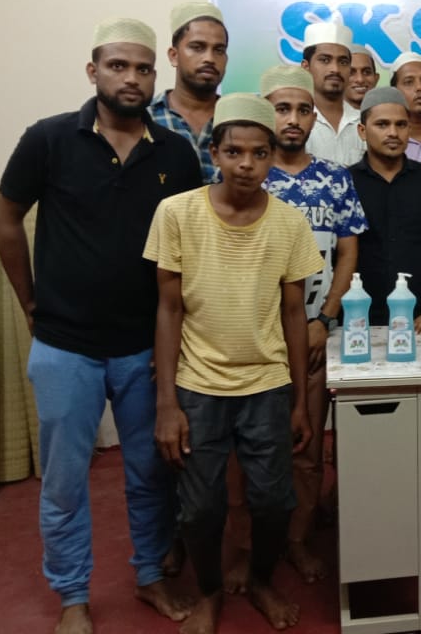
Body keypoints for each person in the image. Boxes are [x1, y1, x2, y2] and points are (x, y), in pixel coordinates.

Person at [0, 17, 201, 634]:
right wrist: (29, 302)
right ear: (93, 71)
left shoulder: (175, 154)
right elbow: (7, 218)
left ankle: (151, 576)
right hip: (66, 346)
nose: (130, 78)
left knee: (152, 473)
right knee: (64, 482)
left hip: (145, 346)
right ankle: (73, 597)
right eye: (117, 66)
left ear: (155, 76)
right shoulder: (50, 139)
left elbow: (188, 247)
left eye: (142, 68)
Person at [146, 93, 322, 634]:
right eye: (234, 152)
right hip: (198, 385)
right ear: (214, 154)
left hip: (266, 383)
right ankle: (208, 592)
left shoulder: (289, 223)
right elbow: (168, 309)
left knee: (273, 501)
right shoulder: (177, 213)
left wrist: (299, 400)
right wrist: (167, 403)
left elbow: (294, 312)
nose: (247, 165)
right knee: (200, 508)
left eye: (259, 153)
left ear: (273, 156)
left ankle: (262, 579)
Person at [224, 66, 367, 589]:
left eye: (303, 110)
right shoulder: (246, 176)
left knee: (306, 447)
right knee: (246, 451)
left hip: (314, 332)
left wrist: (325, 318)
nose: (293, 119)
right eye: (281, 109)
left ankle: (298, 539)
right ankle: (245, 547)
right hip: (253, 336)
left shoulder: (336, 177)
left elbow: (348, 253)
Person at [350, 86, 421, 327]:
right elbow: (340, 257)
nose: (393, 133)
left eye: (401, 125)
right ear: (362, 131)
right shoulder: (346, 183)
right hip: (358, 318)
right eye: (382, 124)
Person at [149, 2, 229, 184]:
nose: (209, 58)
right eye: (197, 47)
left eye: (219, 50)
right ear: (174, 55)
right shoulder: (145, 119)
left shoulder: (238, 120)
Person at [301, 21, 364, 166]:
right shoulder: (297, 122)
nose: (335, 69)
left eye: (343, 62)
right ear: (306, 67)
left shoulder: (364, 121)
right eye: (325, 60)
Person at [344, 44, 379, 111]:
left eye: (366, 72)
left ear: (376, 79)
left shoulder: (389, 115)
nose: (360, 79)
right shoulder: (325, 116)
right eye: (351, 73)